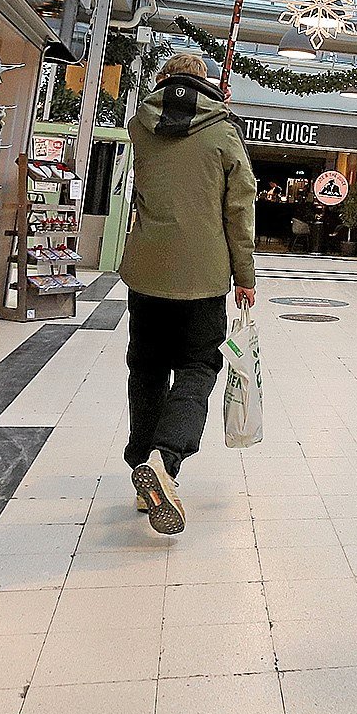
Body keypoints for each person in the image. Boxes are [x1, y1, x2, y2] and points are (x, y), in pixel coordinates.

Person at [116, 51, 256, 535]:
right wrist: (246, 276)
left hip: (148, 271)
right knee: (198, 366)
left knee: (147, 367)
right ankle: (164, 458)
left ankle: (141, 466)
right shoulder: (223, 133)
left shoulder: (141, 127)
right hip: (205, 273)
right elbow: (239, 208)